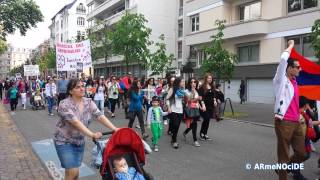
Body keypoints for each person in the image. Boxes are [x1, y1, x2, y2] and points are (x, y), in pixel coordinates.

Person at [54, 79, 118, 180]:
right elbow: (75, 122)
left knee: (73, 173)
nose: (81, 89)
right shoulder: (64, 104)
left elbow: (99, 115)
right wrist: (92, 134)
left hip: (79, 141)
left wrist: (114, 128)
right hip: (64, 142)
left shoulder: (88, 102)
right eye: (77, 87)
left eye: (82, 86)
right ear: (71, 91)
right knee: (73, 171)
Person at [273, 40, 307, 180]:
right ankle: (283, 172)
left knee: (301, 154)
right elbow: (283, 58)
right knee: (284, 156)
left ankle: (283, 168)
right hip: (284, 122)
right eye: (297, 67)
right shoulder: (280, 80)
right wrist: (291, 45)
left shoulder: (295, 82)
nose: (300, 69)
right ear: (289, 68)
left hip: (296, 121)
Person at [183, 78, 205, 147]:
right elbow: (188, 101)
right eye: (191, 82)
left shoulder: (197, 90)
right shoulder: (186, 91)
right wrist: (196, 98)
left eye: (195, 82)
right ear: (189, 83)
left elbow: (198, 100)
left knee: (193, 124)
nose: (193, 83)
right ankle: (195, 140)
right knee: (194, 124)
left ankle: (185, 132)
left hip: (196, 109)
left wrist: (201, 107)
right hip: (189, 109)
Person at [166, 77, 185, 149]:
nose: (183, 83)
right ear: (178, 82)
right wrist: (169, 107)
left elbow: (184, 99)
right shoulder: (172, 89)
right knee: (175, 124)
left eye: (183, 82)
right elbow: (167, 99)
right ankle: (174, 140)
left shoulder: (182, 90)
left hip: (180, 110)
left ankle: (173, 138)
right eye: (182, 82)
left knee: (177, 126)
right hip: (173, 109)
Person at [198, 73, 216, 141]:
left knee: (208, 120)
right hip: (204, 106)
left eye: (211, 78)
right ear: (206, 79)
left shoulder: (212, 86)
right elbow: (200, 97)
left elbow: (214, 95)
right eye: (209, 78)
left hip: (210, 106)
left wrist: (215, 101)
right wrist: (203, 104)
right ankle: (201, 134)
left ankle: (205, 134)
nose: (210, 79)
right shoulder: (202, 87)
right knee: (206, 118)